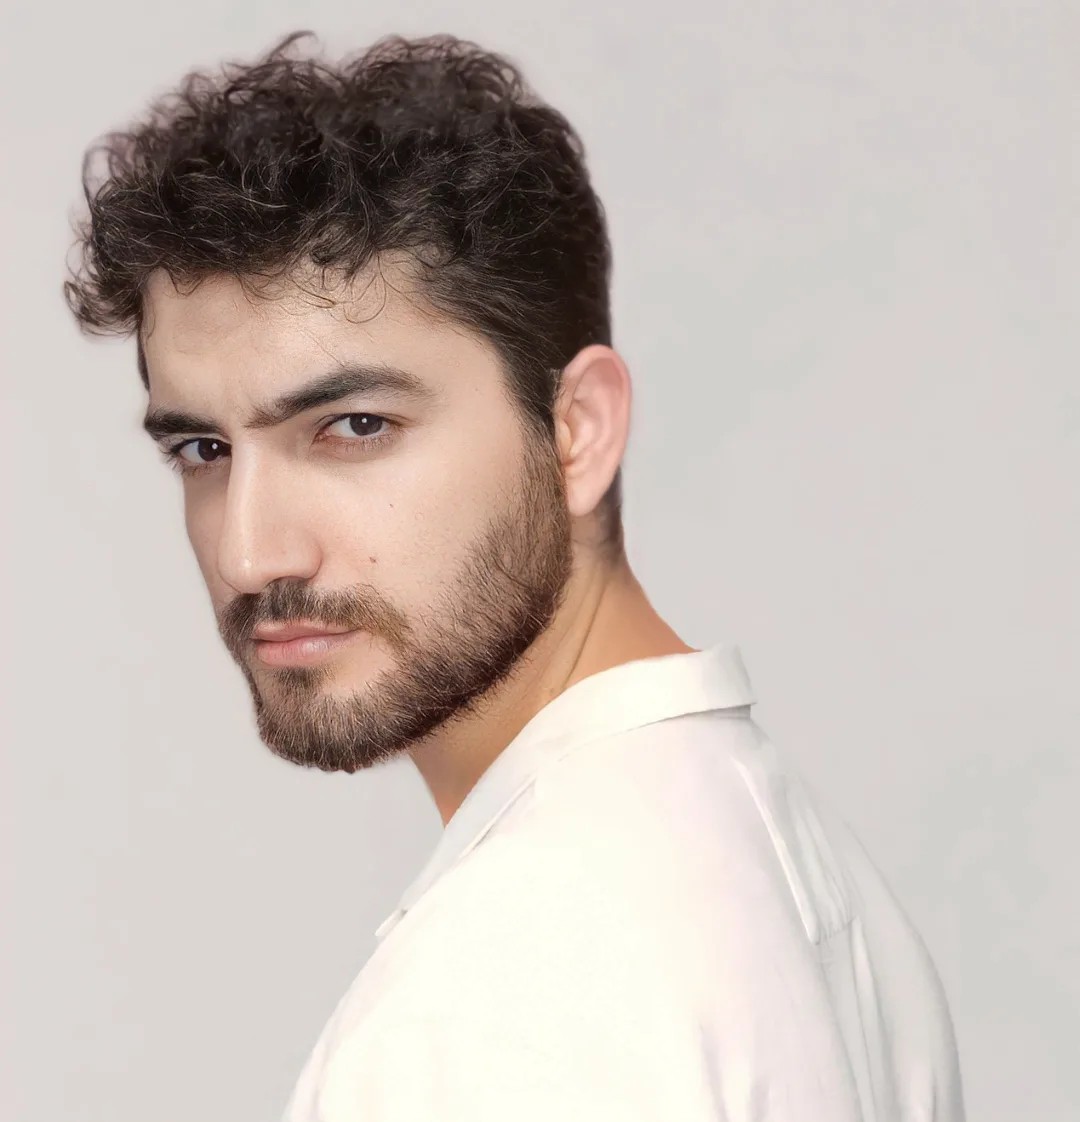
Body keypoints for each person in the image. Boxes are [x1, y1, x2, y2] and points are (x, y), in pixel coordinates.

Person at [63, 30, 966, 1122]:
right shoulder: (806, 878)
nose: (249, 555)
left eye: (354, 426)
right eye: (203, 449)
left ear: (577, 429)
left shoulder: (496, 1007)